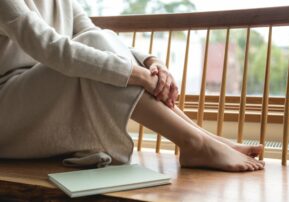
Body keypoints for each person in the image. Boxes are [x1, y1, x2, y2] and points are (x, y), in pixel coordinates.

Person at [0, 0, 265, 172]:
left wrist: (152, 62)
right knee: (93, 46)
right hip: (8, 115)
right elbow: (53, 49)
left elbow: (96, 34)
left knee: (96, 37)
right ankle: (195, 141)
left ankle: (203, 139)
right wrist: (136, 74)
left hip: (39, 99)